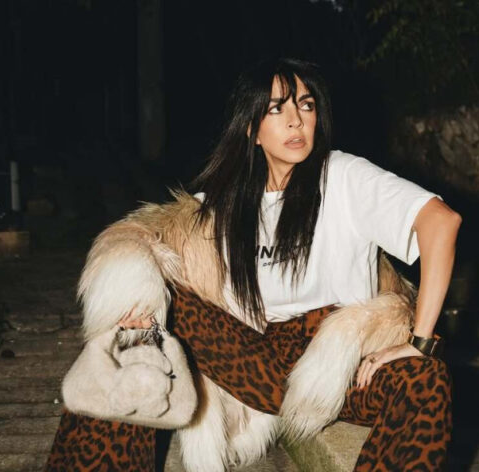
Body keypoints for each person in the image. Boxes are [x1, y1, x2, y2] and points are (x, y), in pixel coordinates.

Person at [119, 58, 461, 471]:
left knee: (427, 380)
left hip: (338, 364)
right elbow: (153, 248)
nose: (296, 120)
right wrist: (140, 307)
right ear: (251, 129)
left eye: (306, 105)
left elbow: (441, 223)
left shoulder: (342, 176)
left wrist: (420, 341)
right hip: (253, 358)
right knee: (126, 340)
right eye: (277, 108)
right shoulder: (225, 203)